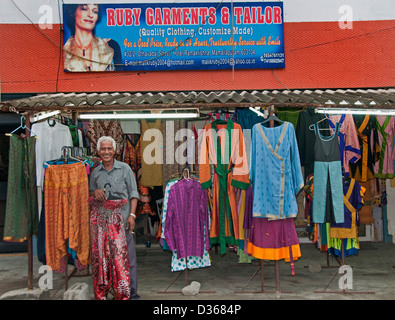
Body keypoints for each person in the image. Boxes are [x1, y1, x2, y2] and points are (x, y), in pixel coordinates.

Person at [89, 136, 140, 300]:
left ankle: (131, 294)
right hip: (103, 226)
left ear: (115, 150)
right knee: (106, 261)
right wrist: (94, 192)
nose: (106, 152)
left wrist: (132, 215)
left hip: (123, 223)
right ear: (98, 151)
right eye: (103, 149)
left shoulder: (125, 169)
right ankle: (113, 292)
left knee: (127, 260)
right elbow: (90, 195)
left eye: (109, 149)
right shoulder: (95, 172)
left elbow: (134, 194)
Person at [63, 4, 122, 71]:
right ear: (72, 12)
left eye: (95, 11)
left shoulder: (111, 46)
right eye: (84, 9)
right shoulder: (64, 54)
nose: (90, 15)